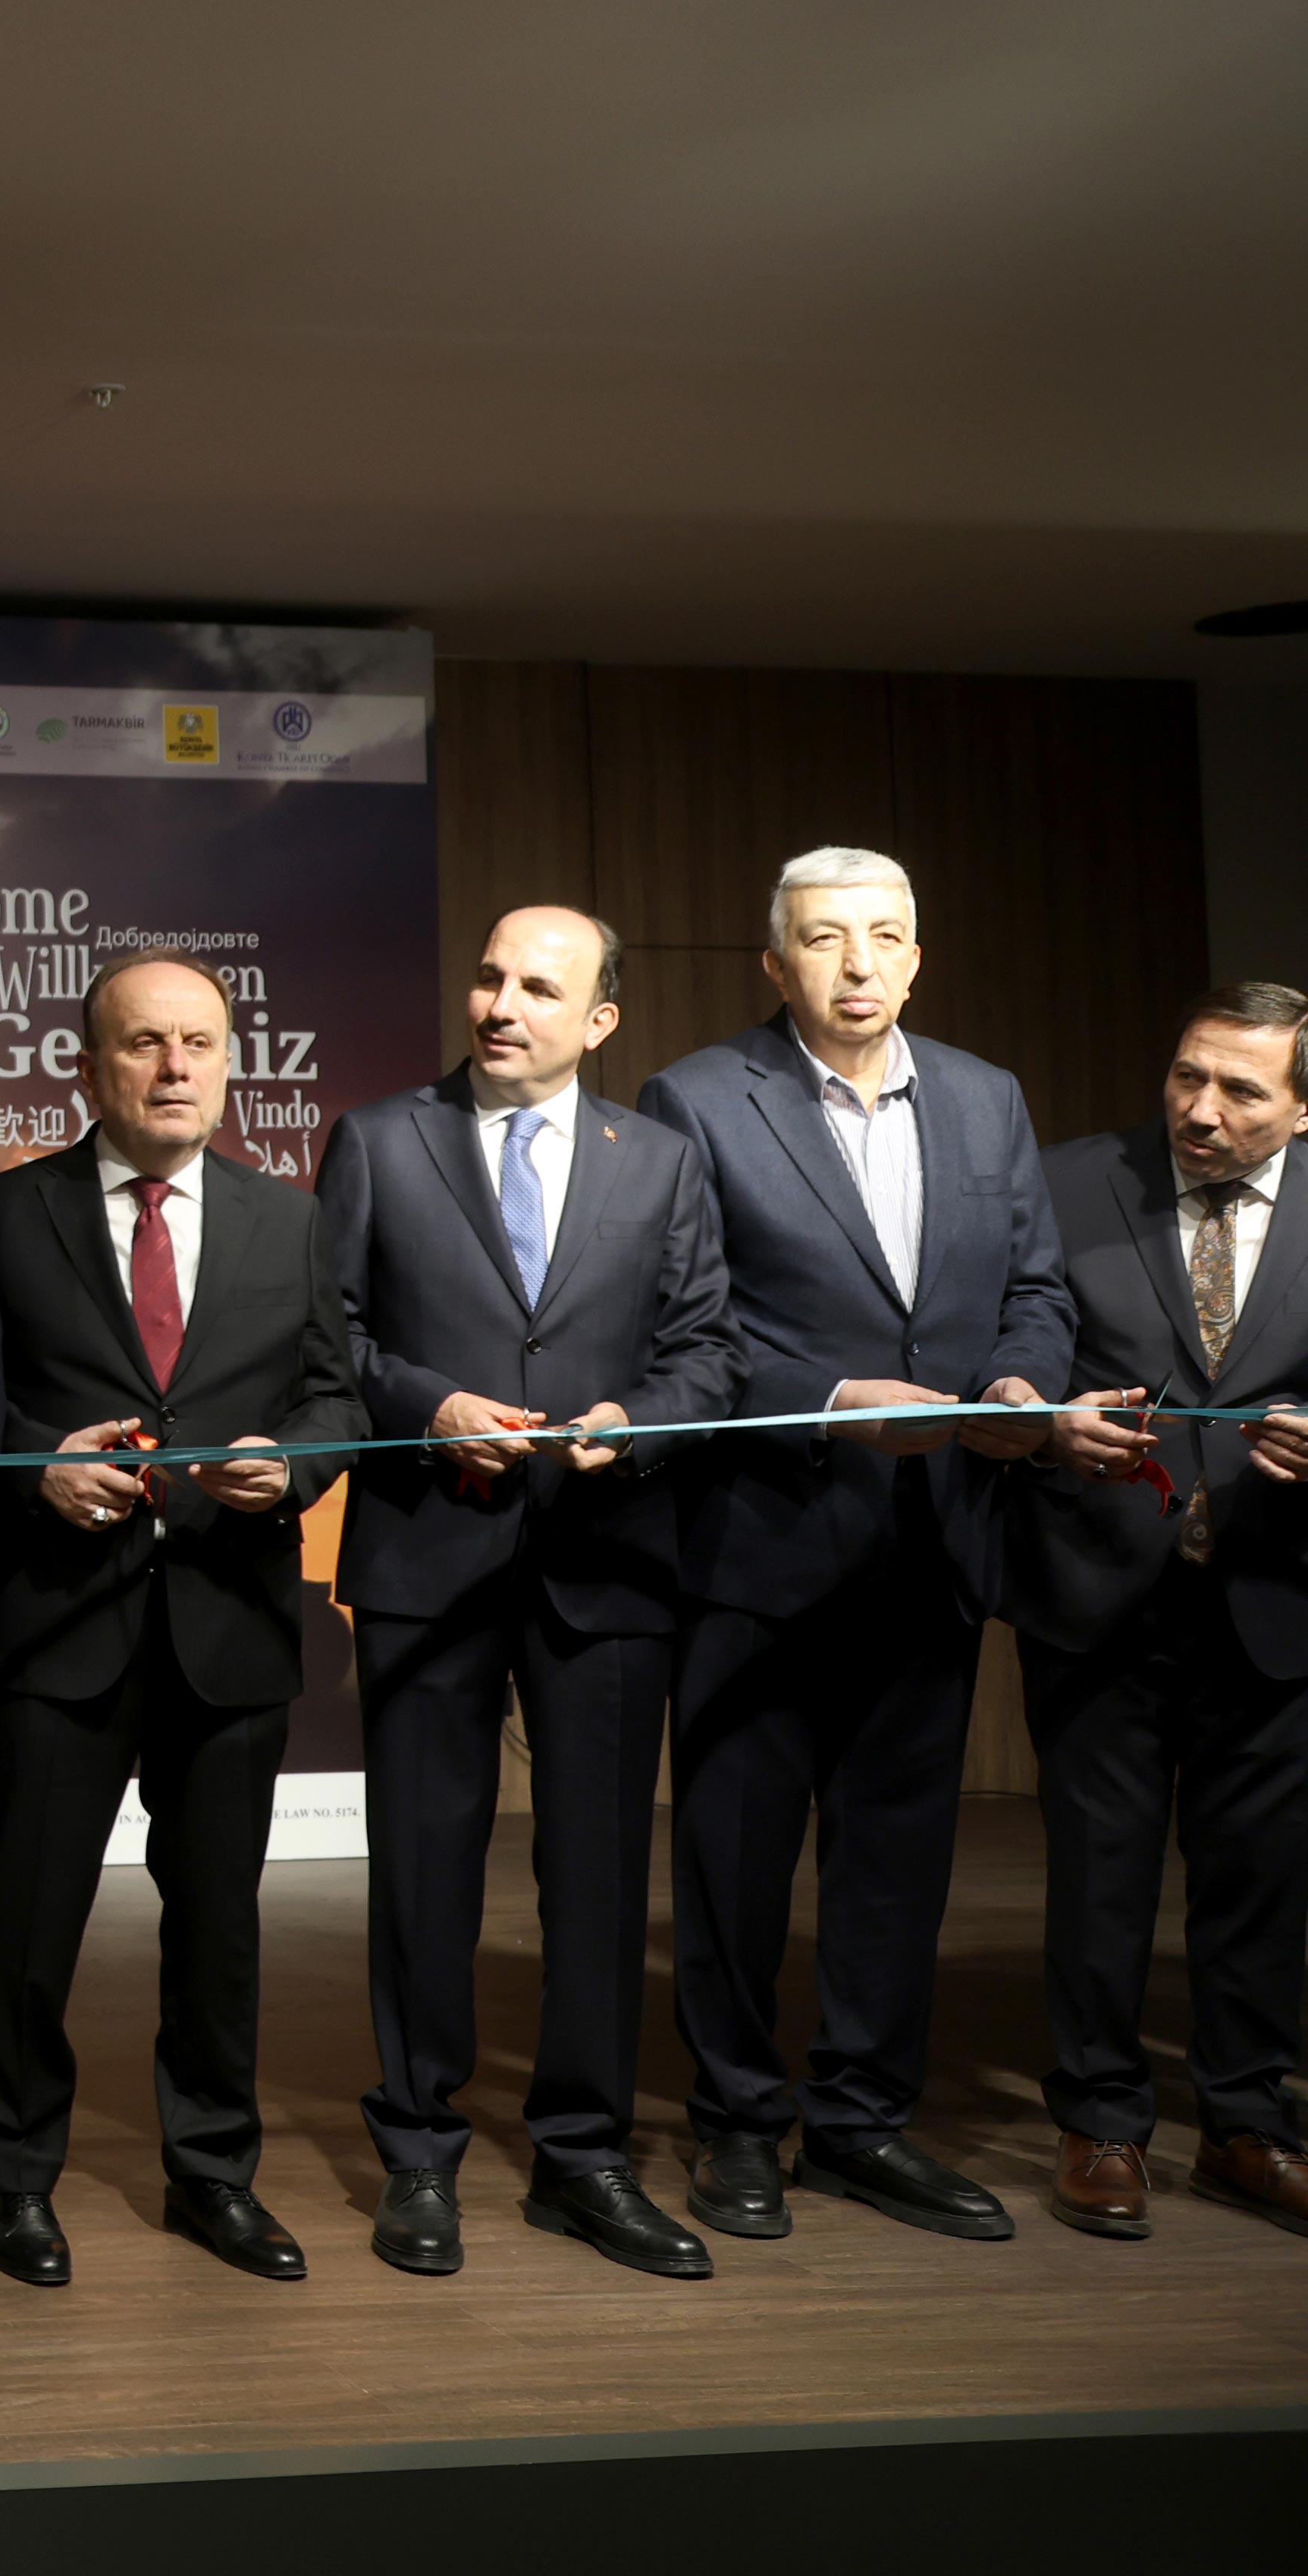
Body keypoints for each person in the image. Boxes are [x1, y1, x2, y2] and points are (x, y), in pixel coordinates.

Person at [636, 849, 1071, 2248]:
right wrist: (826, 1400)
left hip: (935, 1538)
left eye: (885, 936)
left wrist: (1020, 1387)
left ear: (918, 957)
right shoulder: (698, 1098)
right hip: (762, 1542)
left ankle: (864, 2122)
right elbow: (685, 1327)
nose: (859, 963)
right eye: (825, 940)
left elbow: (1038, 1290)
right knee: (738, 1861)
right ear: (778, 965)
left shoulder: (988, 1097)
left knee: (896, 1862)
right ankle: (736, 2123)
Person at [317, 906, 739, 2281]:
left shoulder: (661, 1160)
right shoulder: (380, 1139)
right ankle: (417, 2153)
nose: (502, 1004)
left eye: (540, 988)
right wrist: (428, 1406)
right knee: (422, 1872)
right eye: (491, 977)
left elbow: (708, 1352)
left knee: (600, 1876)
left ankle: (584, 2158)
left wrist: (638, 1423)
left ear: (600, 1019)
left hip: (604, 1557)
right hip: (427, 1552)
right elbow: (332, 1339)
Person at [0, 950, 362, 2287]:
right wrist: (34, 1465)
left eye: (200, 1043)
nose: (176, 1067)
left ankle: (214, 2175)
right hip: (58, 1623)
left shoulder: (292, 1222)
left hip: (228, 1625)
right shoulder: (1, 1217)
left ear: (230, 1066)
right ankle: (15, 2177)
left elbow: (337, 1396)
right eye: (145, 1043)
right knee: (28, 1921)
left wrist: (292, 1467)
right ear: (90, 1067)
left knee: (220, 1929)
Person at [1010, 982, 1308, 2241]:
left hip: (1276, 1589)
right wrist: (1040, 1419)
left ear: (1303, 1107)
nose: (1201, 1109)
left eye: (1242, 1090)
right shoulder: (1071, 1180)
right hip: (1101, 1587)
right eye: (1189, 1075)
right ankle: (1100, 2123)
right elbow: (1018, 1335)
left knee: (1259, 1880)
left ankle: (1245, 2123)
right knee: (1101, 1872)